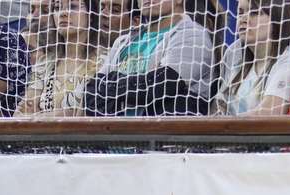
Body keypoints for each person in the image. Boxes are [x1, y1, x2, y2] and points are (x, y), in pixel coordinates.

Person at [82, 0, 215, 115]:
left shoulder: (194, 35)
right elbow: (91, 94)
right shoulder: (122, 42)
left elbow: (161, 85)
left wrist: (112, 85)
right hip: (116, 139)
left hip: (164, 141)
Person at [214, 0, 290, 115]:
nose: (243, 19)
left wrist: (223, 126)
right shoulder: (234, 55)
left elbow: (268, 113)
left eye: (254, 13)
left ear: (277, 18)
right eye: (240, 12)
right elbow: (217, 110)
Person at [17, 0, 104, 115]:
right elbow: (22, 112)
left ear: (91, 15)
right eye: (57, 7)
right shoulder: (45, 62)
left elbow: (81, 115)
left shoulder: (104, 60)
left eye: (72, 6)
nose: (63, 13)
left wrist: (39, 116)